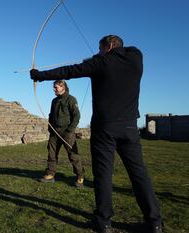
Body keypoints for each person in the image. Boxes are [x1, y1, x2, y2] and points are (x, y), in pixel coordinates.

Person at [30, 35, 163, 233]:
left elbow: (70, 71)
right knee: (139, 174)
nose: (98, 52)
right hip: (129, 127)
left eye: (100, 49)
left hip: (105, 128)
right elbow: (129, 50)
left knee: (103, 174)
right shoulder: (135, 58)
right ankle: (155, 223)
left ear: (108, 46)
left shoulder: (100, 62)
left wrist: (40, 75)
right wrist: (101, 56)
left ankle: (103, 222)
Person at [40, 80, 85, 189]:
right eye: (54, 87)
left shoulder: (71, 99)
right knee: (51, 153)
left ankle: (80, 176)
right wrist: (50, 127)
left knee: (73, 155)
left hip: (67, 132)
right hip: (54, 132)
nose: (54, 89)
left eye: (56, 87)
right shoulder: (54, 101)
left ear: (63, 87)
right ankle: (50, 174)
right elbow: (51, 115)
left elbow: (76, 116)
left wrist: (70, 130)